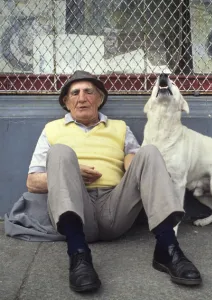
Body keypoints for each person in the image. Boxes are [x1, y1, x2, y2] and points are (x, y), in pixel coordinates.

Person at [26, 70, 202, 293]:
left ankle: (168, 248)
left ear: (99, 99)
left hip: (115, 207)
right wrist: (71, 172)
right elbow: (32, 182)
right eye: (75, 93)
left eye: (89, 92)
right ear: (66, 101)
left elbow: (136, 160)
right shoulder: (51, 130)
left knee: (148, 152)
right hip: (78, 211)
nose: (82, 98)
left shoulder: (120, 127)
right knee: (60, 153)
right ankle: (79, 255)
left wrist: (135, 166)